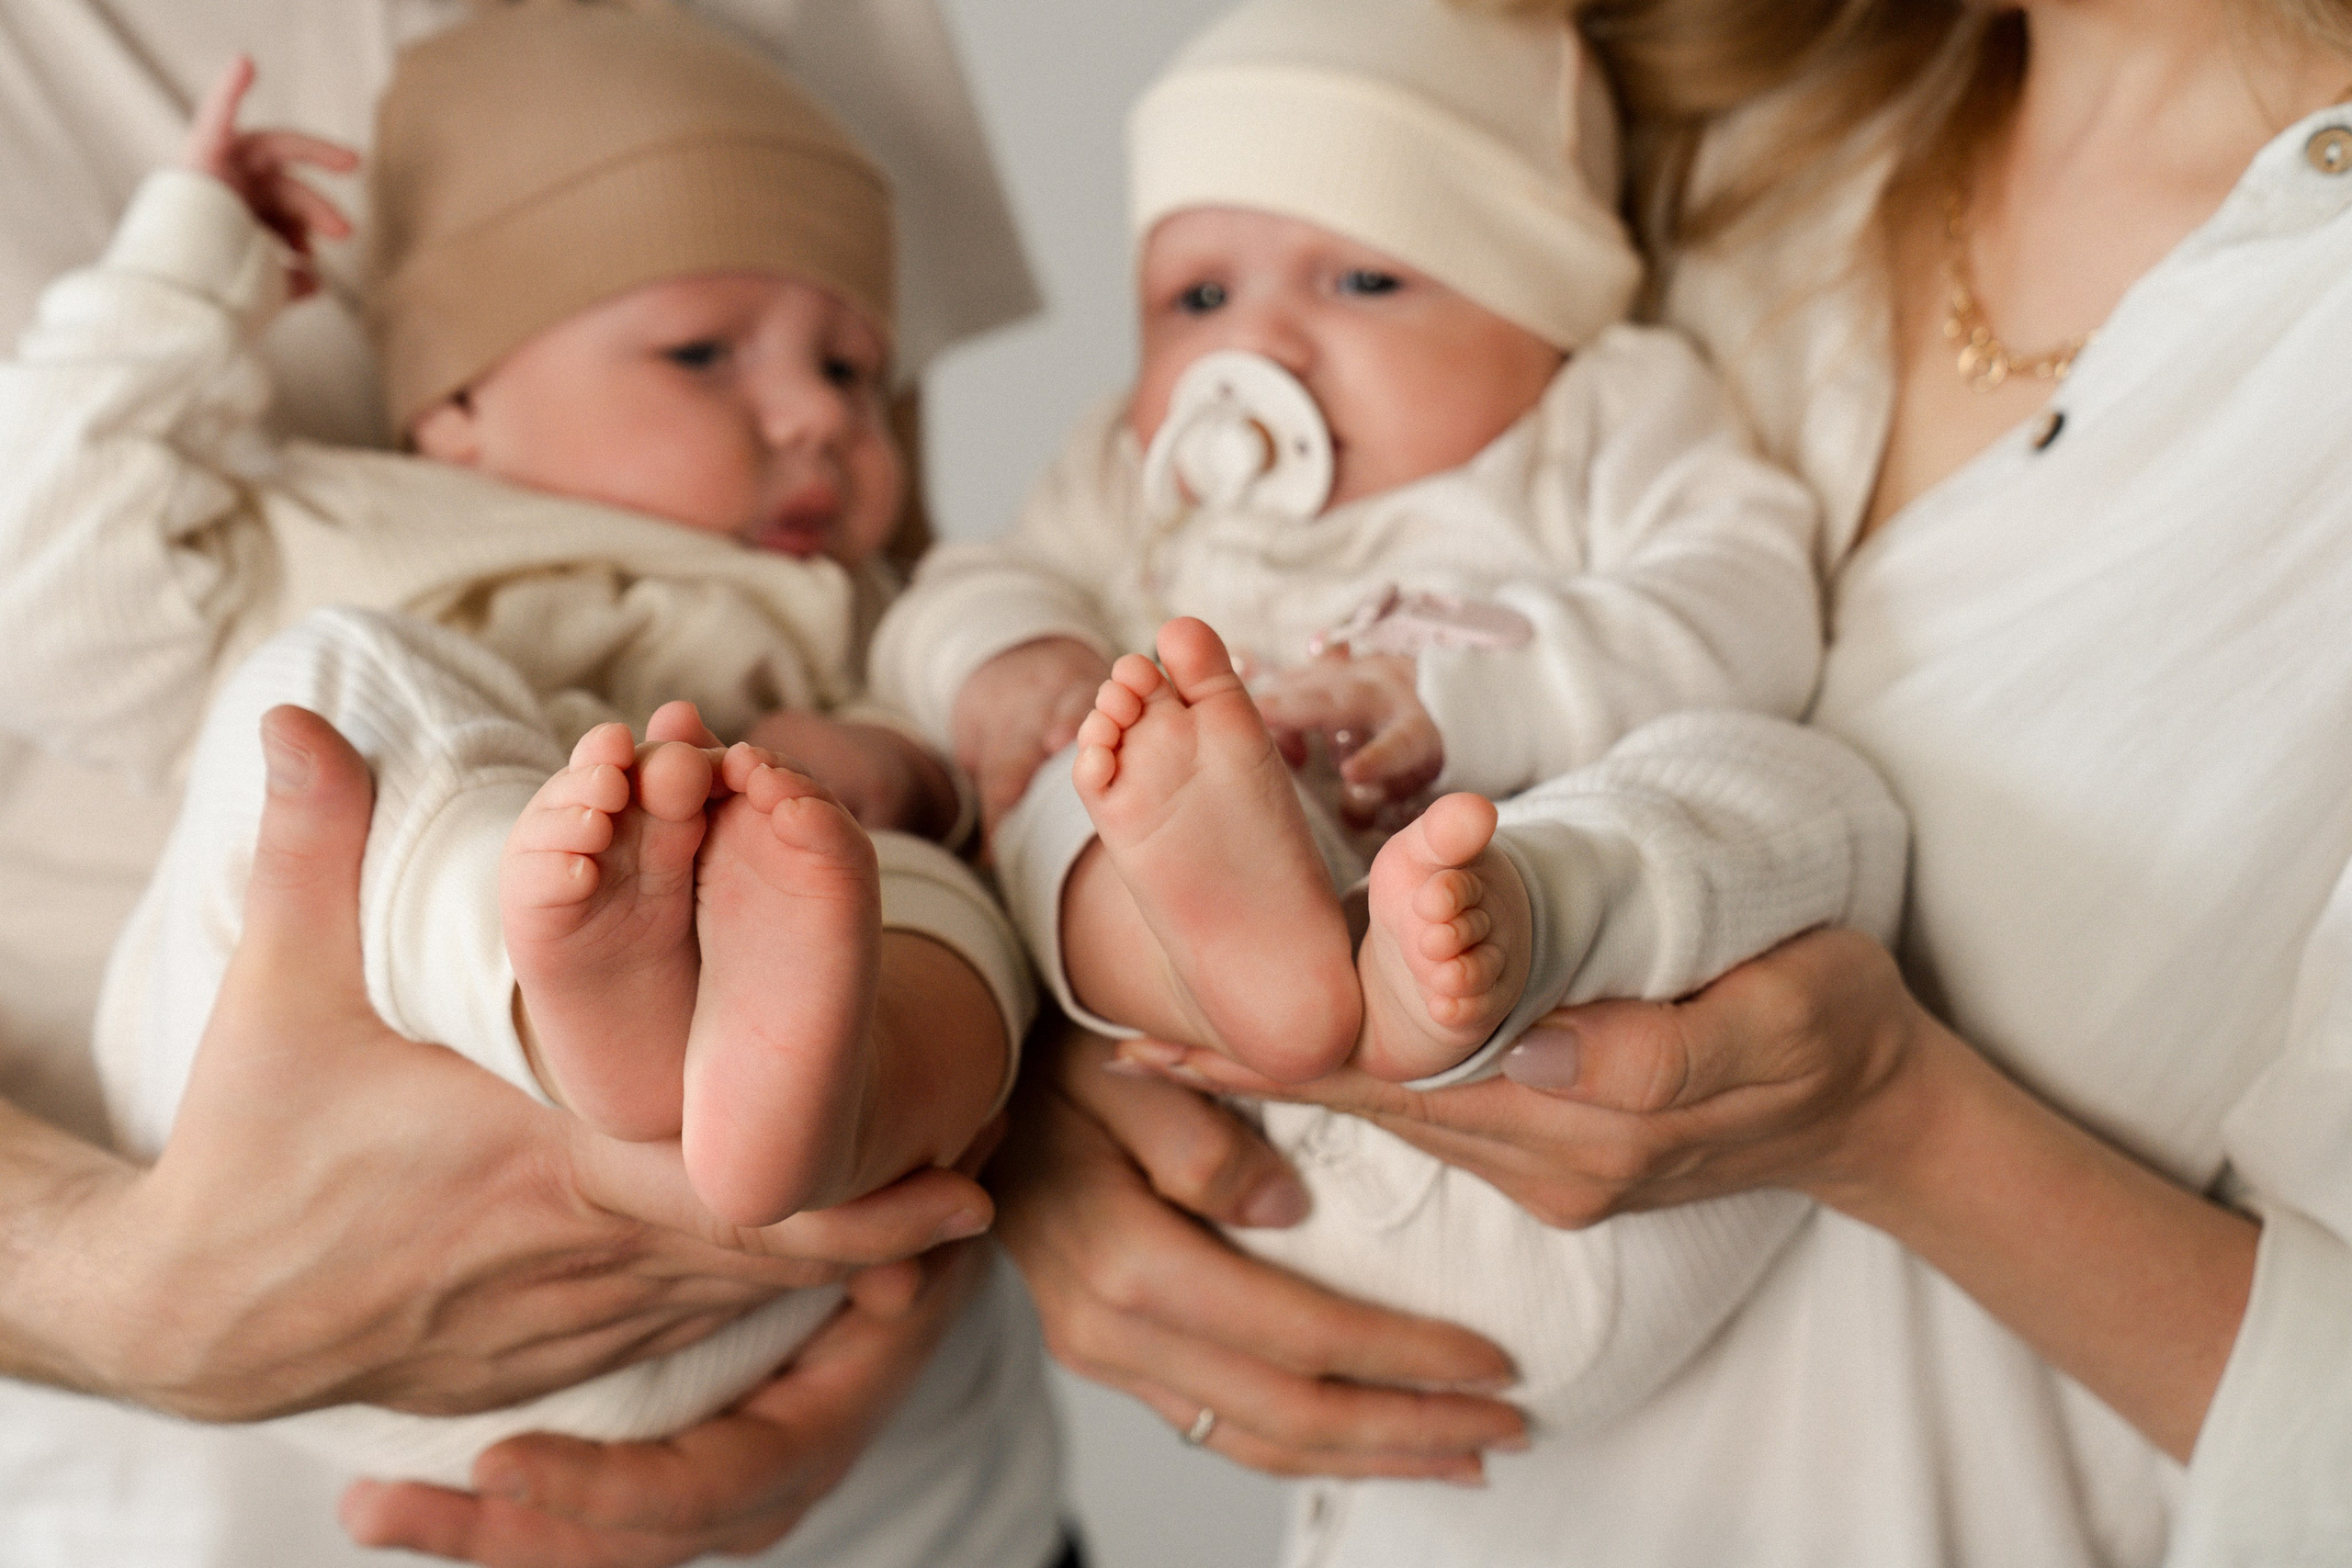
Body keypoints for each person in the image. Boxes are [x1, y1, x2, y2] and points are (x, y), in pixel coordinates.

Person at [1002, 0, 2352, 1562]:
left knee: (1747, 800)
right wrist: (1068, 1088)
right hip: (1418, 1476)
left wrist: (1895, 1128)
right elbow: (1027, 636)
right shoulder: (1706, 135)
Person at [0, 0, 1068, 1563]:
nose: (817, 418)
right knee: (330, 689)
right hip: (294, 1265)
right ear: (458, 410)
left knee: (927, 888)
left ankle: (816, 1121)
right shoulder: (330, 526)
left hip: (742, 1314)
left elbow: (969, 649)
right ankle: (544, 971)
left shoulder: (822, 607)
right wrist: (184, 272)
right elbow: (45, 584)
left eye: (853, 362)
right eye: (704, 351)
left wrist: (908, 767)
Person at [876, 0, 1902, 1427]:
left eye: (1359, 282)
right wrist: (1018, 662)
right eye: (1197, 300)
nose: (1264, 348)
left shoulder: (1602, 411)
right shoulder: (1137, 472)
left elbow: (1745, 601)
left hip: (1606, 1115)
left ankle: (1495, 926)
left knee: (1793, 782)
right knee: (1090, 771)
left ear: (1544, 310)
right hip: (1285, 1157)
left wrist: (1458, 689)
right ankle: (1241, 942)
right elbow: (948, 593)